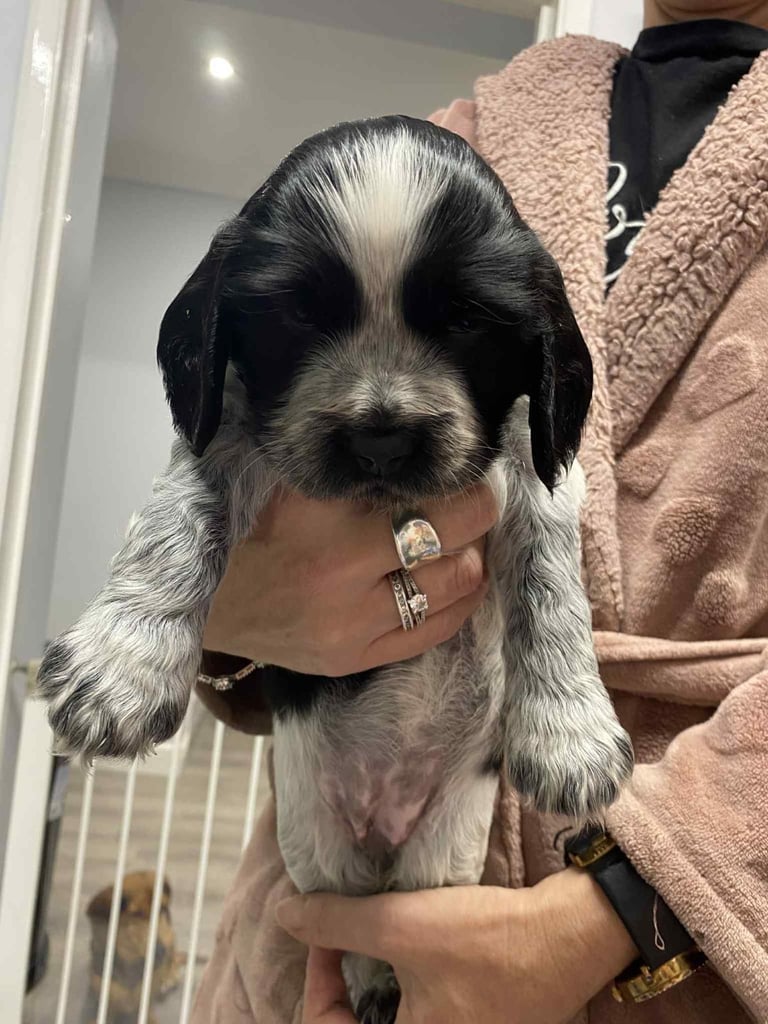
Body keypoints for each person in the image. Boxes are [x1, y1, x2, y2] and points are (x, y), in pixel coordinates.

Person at [190, 1, 768, 1021]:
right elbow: (250, 433)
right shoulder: (461, 137)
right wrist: (224, 618)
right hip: (323, 936)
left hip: (657, 963)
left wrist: (615, 911)